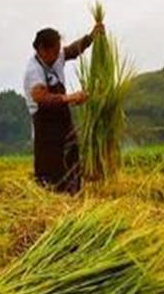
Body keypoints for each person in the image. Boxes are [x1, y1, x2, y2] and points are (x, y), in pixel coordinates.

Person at [22, 20, 104, 192]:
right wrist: (70, 98)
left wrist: (91, 37)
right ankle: (51, 197)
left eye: (59, 48)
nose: (59, 53)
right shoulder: (34, 70)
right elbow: (41, 97)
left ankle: (73, 192)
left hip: (62, 117)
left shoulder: (56, 55)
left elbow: (72, 51)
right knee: (50, 163)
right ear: (42, 50)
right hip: (45, 124)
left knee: (72, 153)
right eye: (55, 50)